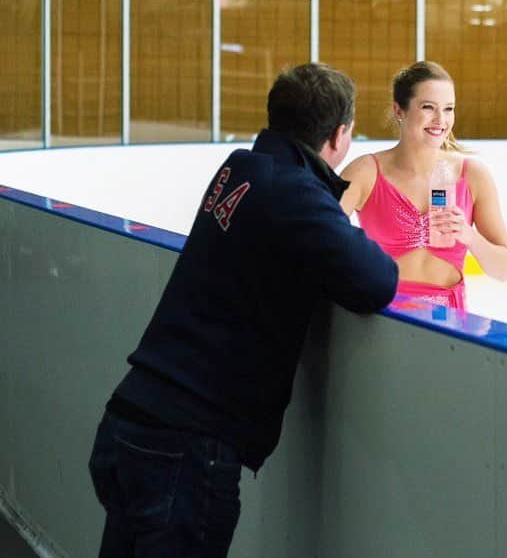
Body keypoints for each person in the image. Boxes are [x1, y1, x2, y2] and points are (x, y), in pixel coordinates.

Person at [87, 63, 398, 557]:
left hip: (131, 423)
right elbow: (377, 279)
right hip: (185, 447)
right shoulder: (295, 194)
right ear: (340, 136)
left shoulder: (241, 166)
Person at [339, 61, 507, 310]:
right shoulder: (366, 172)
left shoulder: (473, 175)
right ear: (399, 111)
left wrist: (468, 235)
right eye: (428, 107)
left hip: (449, 319)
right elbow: (320, 236)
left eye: (448, 108)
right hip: (385, 313)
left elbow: (503, 270)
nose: (441, 120)